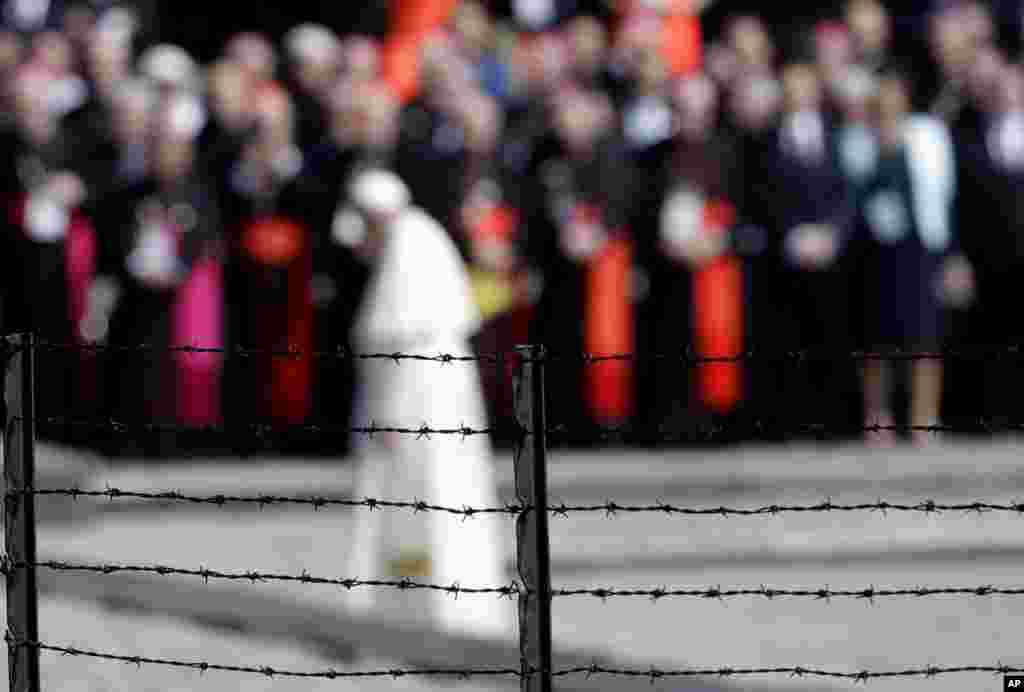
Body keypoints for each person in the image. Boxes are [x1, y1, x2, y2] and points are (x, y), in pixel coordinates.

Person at [343, 168, 511, 639]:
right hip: (428, 408)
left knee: (427, 503)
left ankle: (431, 610)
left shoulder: (410, 245)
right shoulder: (416, 238)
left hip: (417, 410)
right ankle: (420, 605)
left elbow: (402, 345)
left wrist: (392, 418)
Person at [857, 66, 974, 446]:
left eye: (896, 92)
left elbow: (947, 195)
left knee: (924, 333)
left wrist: (953, 253)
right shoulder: (861, 136)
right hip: (873, 251)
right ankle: (879, 418)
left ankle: (924, 418)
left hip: (921, 248)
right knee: (877, 336)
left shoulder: (927, 134)